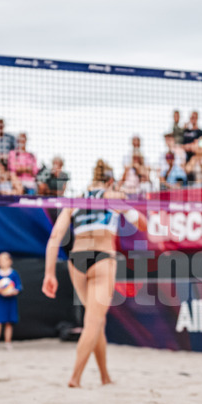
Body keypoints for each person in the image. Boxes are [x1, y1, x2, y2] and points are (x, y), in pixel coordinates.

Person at [42, 160, 143, 388]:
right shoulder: (114, 196)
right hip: (102, 258)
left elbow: (55, 238)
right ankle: (75, 378)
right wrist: (130, 208)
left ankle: (105, 377)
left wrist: (49, 273)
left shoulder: (75, 200)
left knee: (97, 320)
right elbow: (143, 225)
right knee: (93, 321)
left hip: (77, 260)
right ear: (110, 180)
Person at [0, 252, 21, 351]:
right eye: (0, 260)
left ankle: (8, 343)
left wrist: (13, 291)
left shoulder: (14, 274)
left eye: (5, 259)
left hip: (10, 301)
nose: (2, 262)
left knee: (9, 323)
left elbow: (18, 288)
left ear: (10, 261)